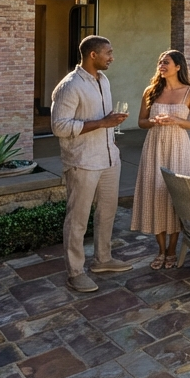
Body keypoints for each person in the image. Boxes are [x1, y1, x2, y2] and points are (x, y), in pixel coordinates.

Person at [50, 36, 132, 293]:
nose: (112, 57)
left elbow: (101, 118)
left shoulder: (103, 80)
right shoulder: (70, 86)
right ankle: (75, 272)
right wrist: (102, 123)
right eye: (108, 53)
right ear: (92, 55)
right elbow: (59, 127)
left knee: (107, 212)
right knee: (78, 219)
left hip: (109, 159)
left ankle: (103, 259)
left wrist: (110, 126)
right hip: (83, 161)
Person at [132, 50, 190, 270]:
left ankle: (172, 250)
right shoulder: (151, 91)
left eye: (166, 62)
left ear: (178, 67)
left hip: (179, 148)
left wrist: (176, 120)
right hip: (154, 147)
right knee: (155, 194)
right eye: (160, 62)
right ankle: (161, 250)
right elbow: (141, 122)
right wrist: (153, 122)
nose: (161, 65)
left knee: (176, 196)